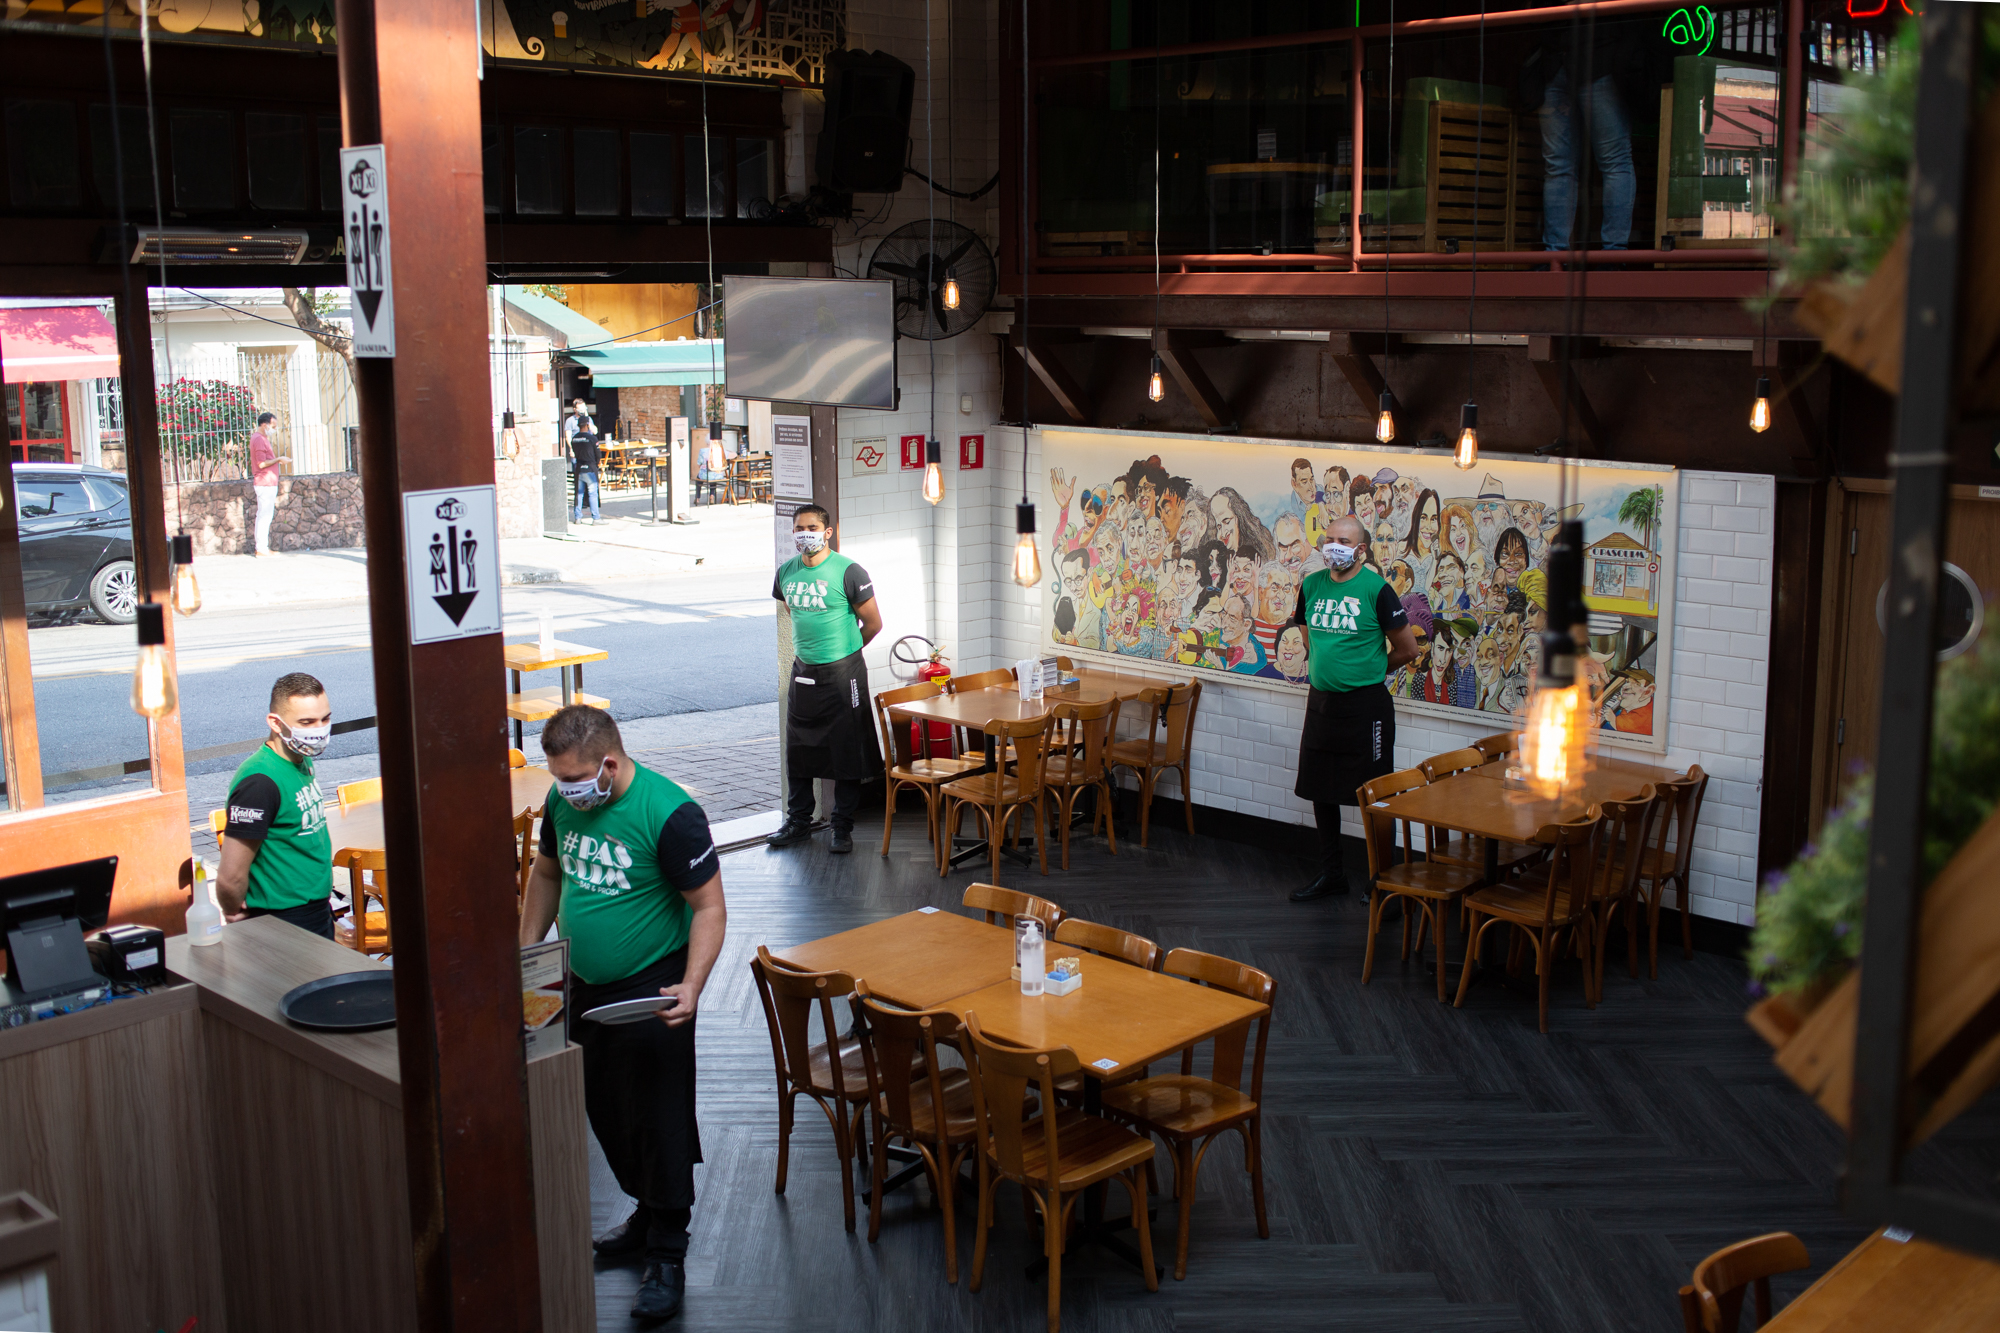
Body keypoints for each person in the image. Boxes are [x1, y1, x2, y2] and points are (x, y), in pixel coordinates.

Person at [519, 705, 725, 1323]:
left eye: (576, 780)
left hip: (653, 982)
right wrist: (527, 953)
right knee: (606, 1107)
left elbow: (710, 908)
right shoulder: (561, 804)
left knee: (658, 1117)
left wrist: (692, 985)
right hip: (579, 981)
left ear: (609, 764)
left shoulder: (670, 814)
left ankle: (668, 1250)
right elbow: (548, 874)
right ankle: (644, 1213)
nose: (566, 791)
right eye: (558, 779)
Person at [1289, 516, 1421, 902]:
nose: (1333, 546)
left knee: (1376, 795)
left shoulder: (1377, 590)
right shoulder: (1311, 586)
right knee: (1321, 791)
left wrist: (1371, 668)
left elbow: (1409, 650)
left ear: (1360, 549)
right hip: (1322, 703)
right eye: (1329, 539)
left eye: (1343, 540)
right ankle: (1332, 875)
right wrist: (1325, 661)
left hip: (1367, 709)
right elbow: (1306, 629)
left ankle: (1383, 885)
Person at [766, 505, 883, 854]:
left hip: (844, 673)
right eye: (799, 528)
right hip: (804, 671)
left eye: (812, 527)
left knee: (846, 750)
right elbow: (793, 611)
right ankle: (799, 821)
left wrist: (844, 654)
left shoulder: (849, 572)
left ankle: (842, 826)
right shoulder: (786, 572)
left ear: (827, 532)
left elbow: (874, 624)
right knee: (798, 749)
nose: (805, 533)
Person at [216, 671, 334, 936]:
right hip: (284, 920)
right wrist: (233, 911)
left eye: (325, 718)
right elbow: (230, 875)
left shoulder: (300, 757)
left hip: (316, 910)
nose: (319, 730)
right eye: (306, 722)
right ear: (276, 723)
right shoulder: (259, 783)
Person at [566, 398, 603, 524]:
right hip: (590, 467)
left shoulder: (575, 439)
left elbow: (572, 443)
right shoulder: (591, 439)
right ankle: (596, 518)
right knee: (592, 493)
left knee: (579, 493)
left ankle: (578, 517)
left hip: (579, 466)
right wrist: (597, 463)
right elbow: (598, 453)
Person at [249, 411, 281, 556]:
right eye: (272, 425)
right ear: (264, 424)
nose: (274, 428)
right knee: (264, 516)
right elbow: (261, 463)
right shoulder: (259, 439)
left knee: (264, 515)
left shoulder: (261, 438)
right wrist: (278, 459)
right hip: (265, 482)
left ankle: (262, 548)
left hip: (267, 482)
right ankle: (261, 548)